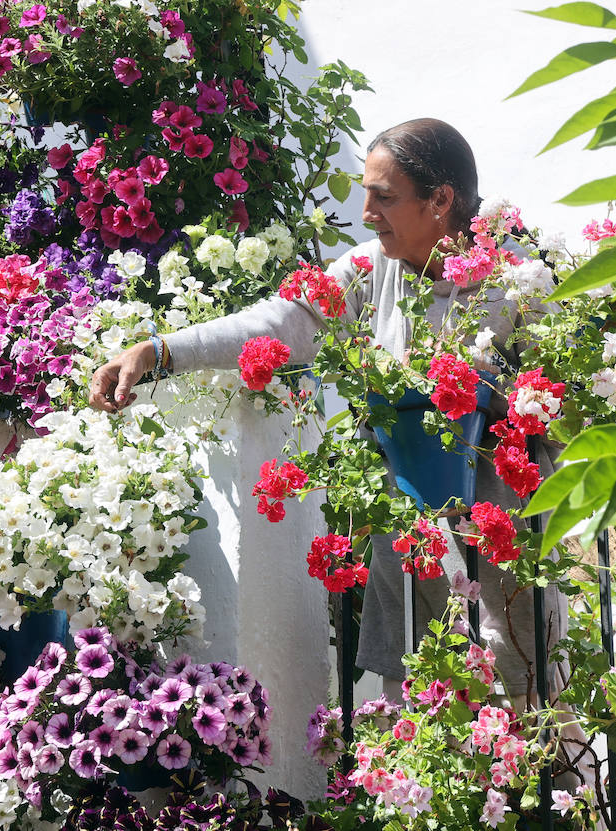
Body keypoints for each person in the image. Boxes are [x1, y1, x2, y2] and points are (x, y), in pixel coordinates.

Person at [88, 117, 566, 706]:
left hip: (503, 551)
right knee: (415, 704)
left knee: (526, 708)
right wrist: (160, 351)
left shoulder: (519, 281)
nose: (366, 214)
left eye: (384, 197)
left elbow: (567, 407)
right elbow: (282, 321)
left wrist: (496, 400)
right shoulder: (370, 270)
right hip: (410, 548)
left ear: (441, 200)